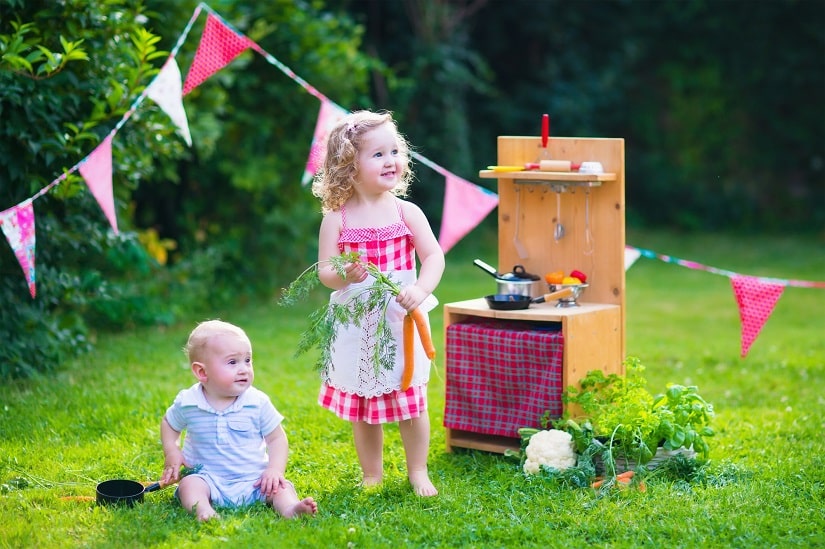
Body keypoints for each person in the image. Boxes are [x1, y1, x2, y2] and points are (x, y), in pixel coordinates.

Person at [311, 109, 445, 497]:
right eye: (378, 154)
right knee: (364, 407)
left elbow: (434, 257)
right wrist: (344, 275)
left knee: (411, 401)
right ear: (348, 167)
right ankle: (372, 473)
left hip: (400, 318)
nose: (391, 161)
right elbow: (324, 272)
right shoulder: (337, 219)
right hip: (357, 322)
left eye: (395, 151)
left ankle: (418, 472)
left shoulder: (407, 212)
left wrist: (419, 290)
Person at [160, 320, 318, 521]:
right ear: (202, 372)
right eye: (233, 362)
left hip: (254, 480)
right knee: (189, 485)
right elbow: (169, 423)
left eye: (248, 360)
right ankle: (203, 510)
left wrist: (274, 470)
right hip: (208, 480)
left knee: (279, 487)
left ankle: (290, 509)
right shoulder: (189, 402)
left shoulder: (257, 402)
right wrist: (172, 450)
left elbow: (277, 439)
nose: (244, 369)